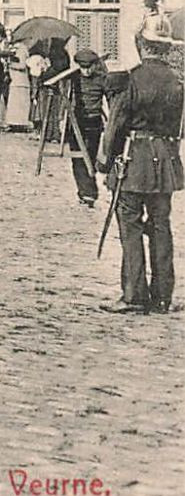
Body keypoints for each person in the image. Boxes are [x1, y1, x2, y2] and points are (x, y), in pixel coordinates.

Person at [97, 17, 181, 313]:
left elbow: (116, 124)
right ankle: (162, 296)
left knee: (130, 227)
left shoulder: (130, 80)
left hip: (134, 161)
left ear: (142, 45)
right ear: (166, 49)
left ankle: (134, 295)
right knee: (161, 226)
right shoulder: (178, 83)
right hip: (166, 162)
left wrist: (105, 162)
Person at [64, 49, 109, 208]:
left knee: (89, 156)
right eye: (83, 67)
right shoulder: (73, 78)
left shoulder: (102, 79)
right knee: (77, 158)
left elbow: (110, 99)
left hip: (94, 123)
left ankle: (89, 190)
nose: (86, 71)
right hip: (77, 123)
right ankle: (86, 192)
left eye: (89, 67)